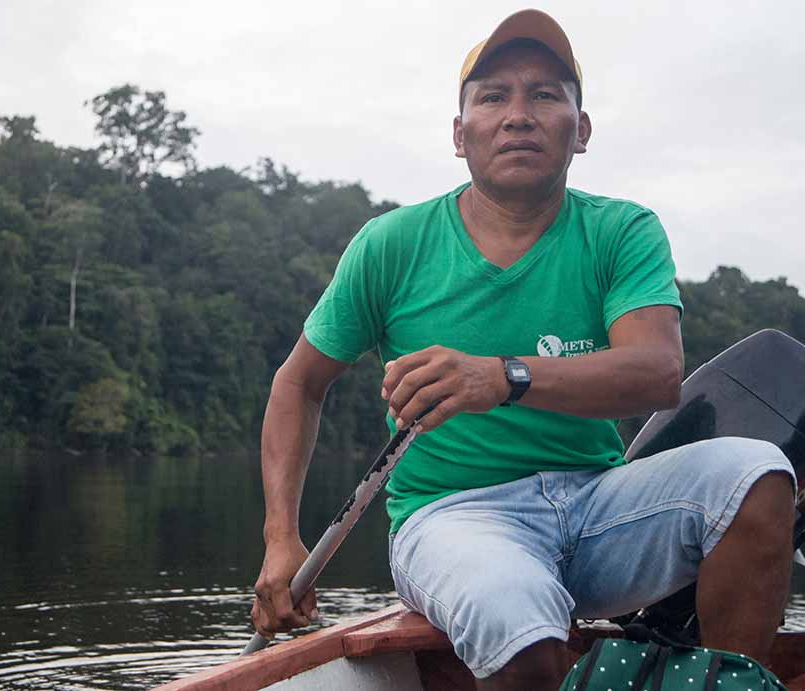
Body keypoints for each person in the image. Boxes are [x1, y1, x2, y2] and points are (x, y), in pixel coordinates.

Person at [250, 8, 797, 690]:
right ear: (460, 134)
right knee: (522, 636)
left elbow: (657, 373)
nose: (518, 114)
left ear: (582, 129)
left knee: (757, 473)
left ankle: (726, 681)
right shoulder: (390, 245)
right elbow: (298, 384)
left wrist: (501, 376)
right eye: (492, 96)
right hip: (451, 515)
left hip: (601, 505)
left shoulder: (621, 230)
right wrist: (280, 537)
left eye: (545, 93)